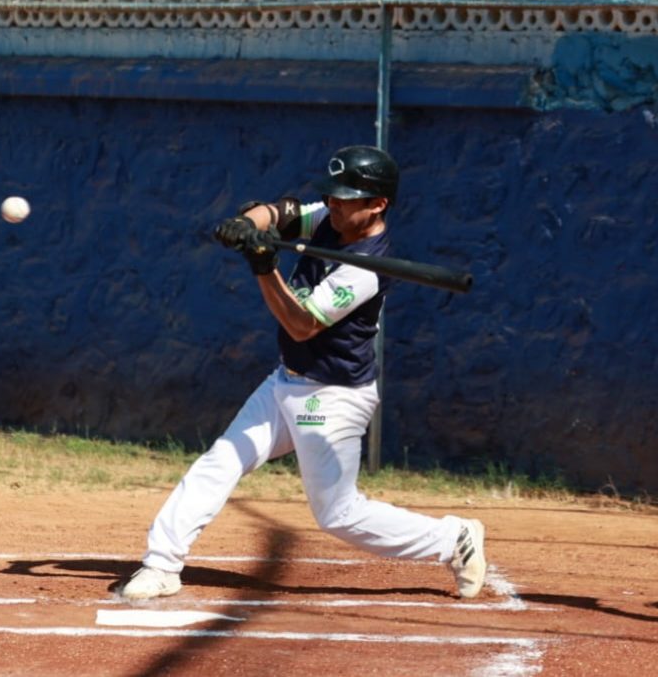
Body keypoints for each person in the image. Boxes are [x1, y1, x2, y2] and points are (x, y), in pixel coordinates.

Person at [118, 145, 488, 601]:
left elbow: (301, 323)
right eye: (332, 196)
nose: (334, 205)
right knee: (220, 462)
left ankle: (453, 540)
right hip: (285, 382)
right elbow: (282, 211)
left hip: (330, 398)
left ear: (377, 205)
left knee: (337, 514)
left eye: (346, 199)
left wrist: (263, 266)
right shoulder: (330, 219)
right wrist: (247, 226)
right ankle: (161, 565)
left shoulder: (365, 272)